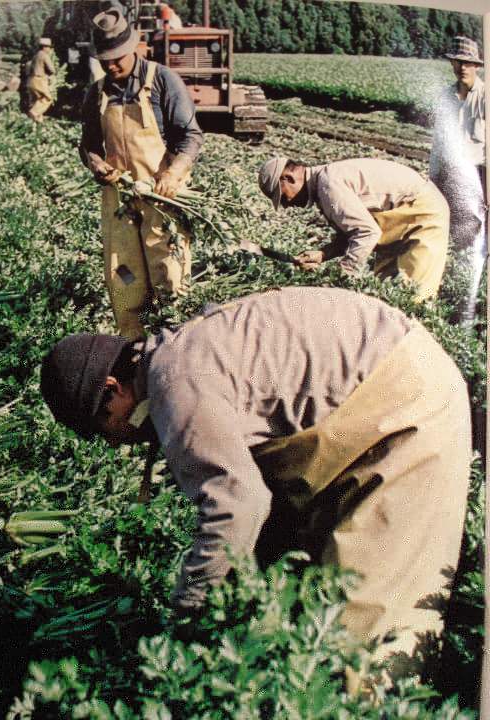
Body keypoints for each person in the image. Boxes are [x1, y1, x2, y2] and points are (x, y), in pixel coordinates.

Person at [40, 286, 471, 687]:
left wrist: (187, 621)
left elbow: (237, 508)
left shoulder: (175, 386)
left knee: (361, 635)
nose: (116, 442)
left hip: (407, 406)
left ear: (113, 390)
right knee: (307, 590)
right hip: (380, 387)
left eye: (105, 428)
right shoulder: (175, 357)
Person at [79, 7, 203, 339]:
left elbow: (190, 136)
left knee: (169, 276)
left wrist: (173, 174)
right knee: (125, 278)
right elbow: (88, 145)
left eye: (117, 58)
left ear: (133, 47)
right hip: (120, 202)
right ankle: (134, 348)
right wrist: (96, 164)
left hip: (160, 199)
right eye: (105, 60)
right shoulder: (97, 92)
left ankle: (174, 343)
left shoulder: (162, 81)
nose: (111, 65)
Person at [259, 156, 450, 301]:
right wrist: (323, 254)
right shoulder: (325, 182)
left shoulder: (329, 185)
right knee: (383, 297)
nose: (286, 204)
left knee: (411, 296)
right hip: (400, 218)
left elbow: (367, 233)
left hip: (423, 215)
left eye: (282, 196)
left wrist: (340, 277)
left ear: (289, 177)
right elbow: (357, 229)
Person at [429, 35, 486, 322]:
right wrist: (432, 185)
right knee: (446, 247)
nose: (462, 67)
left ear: (476, 65)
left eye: (467, 62)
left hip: (477, 182)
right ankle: (444, 314)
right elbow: (438, 147)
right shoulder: (444, 98)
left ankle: (465, 319)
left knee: (473, 253)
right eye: (457, 61)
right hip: (450, 181)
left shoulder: (486, 98)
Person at [27, 37, 55, 123]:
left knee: (37, 100)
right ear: (45, 47)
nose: (49, 49)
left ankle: (37, 122)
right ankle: (34, 112)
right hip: (39, 80)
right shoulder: (44, 55)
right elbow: (52, 69)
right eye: (49, 47)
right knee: (47, 99)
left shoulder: (36, 55)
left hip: (30, 80)